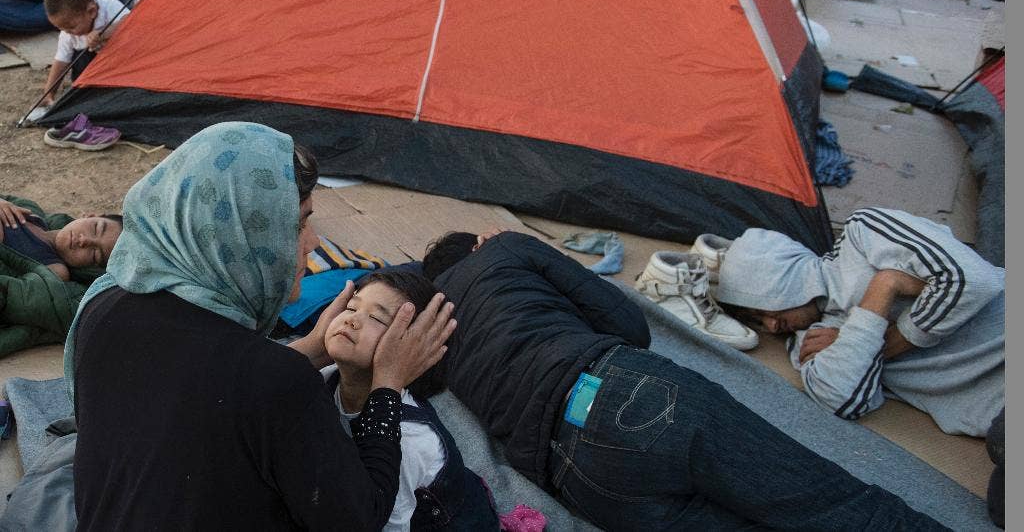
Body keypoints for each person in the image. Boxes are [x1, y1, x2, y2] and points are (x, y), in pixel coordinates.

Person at [66, 122, 456, 531]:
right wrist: (388, 386)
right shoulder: (276, 381)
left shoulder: (105, 304)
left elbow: (202, 394)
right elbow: (360, 516)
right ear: (243, 232)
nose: (314, 243)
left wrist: (313, 347)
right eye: (298, 224)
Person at [421, 230, 945, 530]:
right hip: (620, 395)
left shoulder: (428, 334)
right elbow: (631, 327)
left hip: (578, 483)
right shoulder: (504, 248)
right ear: (477, 247)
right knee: (834, 506)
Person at [714, 207, 1004, 437]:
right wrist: (883, 291)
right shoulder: (809, 340)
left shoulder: (863, 235)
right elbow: (842, 398)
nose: (772, 326)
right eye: (759, 323)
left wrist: (869, 330)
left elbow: (975, 282)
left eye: (761, 309)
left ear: (776, 279)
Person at [322, 270, 499, 531]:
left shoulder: (410, 441)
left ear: (416, 350)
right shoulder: (325, 377)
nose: (352, 320)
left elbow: (388, 525)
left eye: (376, 318)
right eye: (351, 307)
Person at [1, 194, 122, 358]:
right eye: (95, 228)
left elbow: (13, 292)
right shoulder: (29, 212)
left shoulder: (55, 271)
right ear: (90, 216)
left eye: (95, 254)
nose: (84, 240)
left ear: (90, 268)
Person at [40, 0, 129, 106]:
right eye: (60, 28)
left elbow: (131, 22)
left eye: (71, 27)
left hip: (121, 67)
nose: (66, 31)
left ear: (92, 11)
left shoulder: (111, 7)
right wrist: (49, 93)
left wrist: (104, 34)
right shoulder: (67, 33)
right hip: (91, 75)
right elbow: (61, 62)